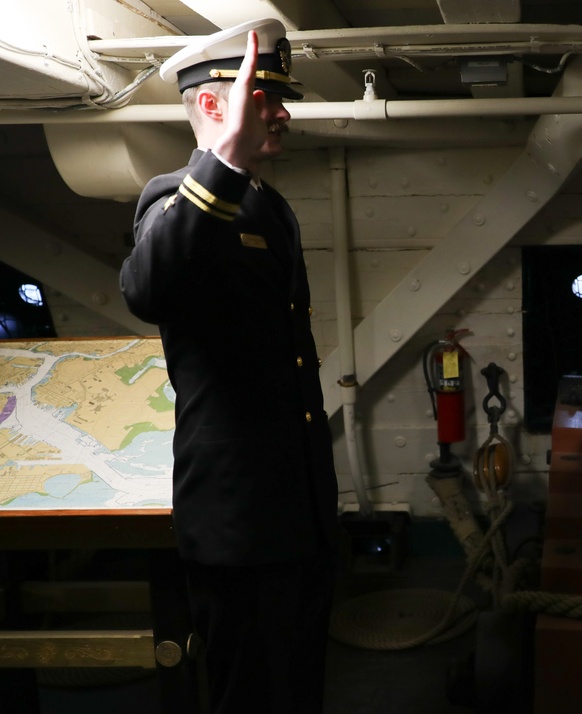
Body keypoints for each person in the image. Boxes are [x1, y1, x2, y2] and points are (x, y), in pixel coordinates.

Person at [119, 18, 339, 714]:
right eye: (264, 96)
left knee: (298, 687)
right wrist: (224, 165)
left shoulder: (268, 208)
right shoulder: (178, 198)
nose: (281, 112)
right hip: (238, 523)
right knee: (249, 695)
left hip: (294, 513)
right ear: (215, 105)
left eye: (280, 97)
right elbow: (146, 289)